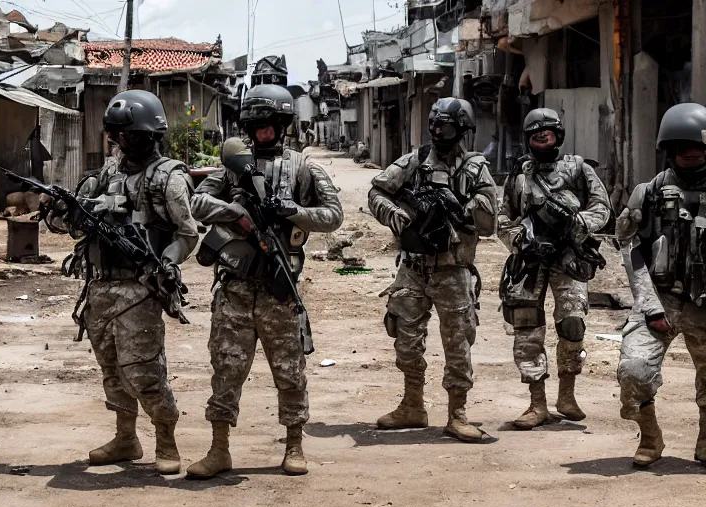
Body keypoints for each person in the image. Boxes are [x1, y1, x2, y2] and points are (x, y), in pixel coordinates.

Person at [186, 84, 343, 478]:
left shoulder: (303, 167)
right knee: (226, 370)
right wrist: (234, 211)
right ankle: (219, 449)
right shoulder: (233, 165)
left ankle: (294, 446)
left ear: (282, 124)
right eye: (255, 126)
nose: (262, 133)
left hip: (278, 288)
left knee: (289, 372)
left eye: (269, 125)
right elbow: (197, 203)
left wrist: (291, 212)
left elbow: (333, 215)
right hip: (235, 289)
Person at [57, 90, 200, 474]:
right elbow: (68, 225)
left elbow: (187, 234)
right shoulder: (105, 175)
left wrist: (165, 262)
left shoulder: (167, 178)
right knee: (112, 371)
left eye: (132, 135)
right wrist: (66, 211)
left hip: (140, 288)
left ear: (151, 135)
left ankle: (166, 441)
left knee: (143, 370)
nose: (124, 143)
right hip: (100, 287)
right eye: (119, 136)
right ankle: (126, 438)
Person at [368, 97, 497, 442]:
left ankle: (457, 414)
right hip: (413, 267)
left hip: (453, 270)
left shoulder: (474, 169)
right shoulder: (414, 161)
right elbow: (377, 191)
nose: (440, 134)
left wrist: (465, 208)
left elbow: (489, 222)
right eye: (436, 126)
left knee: (458, 344)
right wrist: (396, 216)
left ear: (463, 131)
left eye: (448, 128)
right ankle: (413, 405)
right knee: (406, 338)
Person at [498, 108, 611, 430]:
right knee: (527, 328)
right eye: (535, 132)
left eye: (546, 131)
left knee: (573, 323)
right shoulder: (518, 176)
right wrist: (522, 241)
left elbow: (602, 208)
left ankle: (567, 395)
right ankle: (537, 404)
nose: (541, 135)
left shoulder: (578, 169)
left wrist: (576, 226)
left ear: (558, 135)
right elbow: (502, 218)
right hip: (531, 261)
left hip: (569, 258)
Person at [616, 103, 706, 467]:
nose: (692, 153)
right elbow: (629, 247)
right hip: (661, 299)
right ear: (670, 149)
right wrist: (649, 305)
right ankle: (651, 438)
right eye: (683, 147)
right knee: (634, 371)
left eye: (698, 146)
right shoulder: (649, 192)